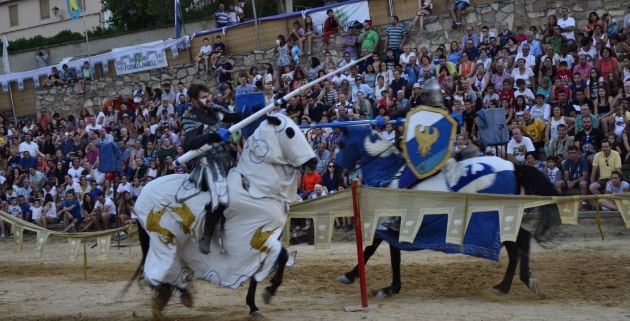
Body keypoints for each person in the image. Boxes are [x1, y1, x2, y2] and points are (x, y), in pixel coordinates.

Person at [181, 84, 241, 254]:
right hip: (208, 161)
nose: (208, 99)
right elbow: (189, 143)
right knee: (221, 195)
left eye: (208, 95)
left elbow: (233, 117)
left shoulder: (216, 109)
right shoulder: (190, 116)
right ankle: (206, 234)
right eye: (203, 97)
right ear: (193, 101)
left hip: (229, 158)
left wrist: (250, 111)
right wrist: (212, 136)